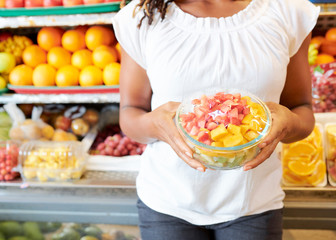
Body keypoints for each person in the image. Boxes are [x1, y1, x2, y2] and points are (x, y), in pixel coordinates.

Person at [112, 0, 319, 239]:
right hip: (166, 204)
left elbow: (302, 110)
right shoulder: (142, 16)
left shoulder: (288, 10)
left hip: (254, 205)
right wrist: (156, 125)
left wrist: (289, 123)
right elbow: (131, 113)